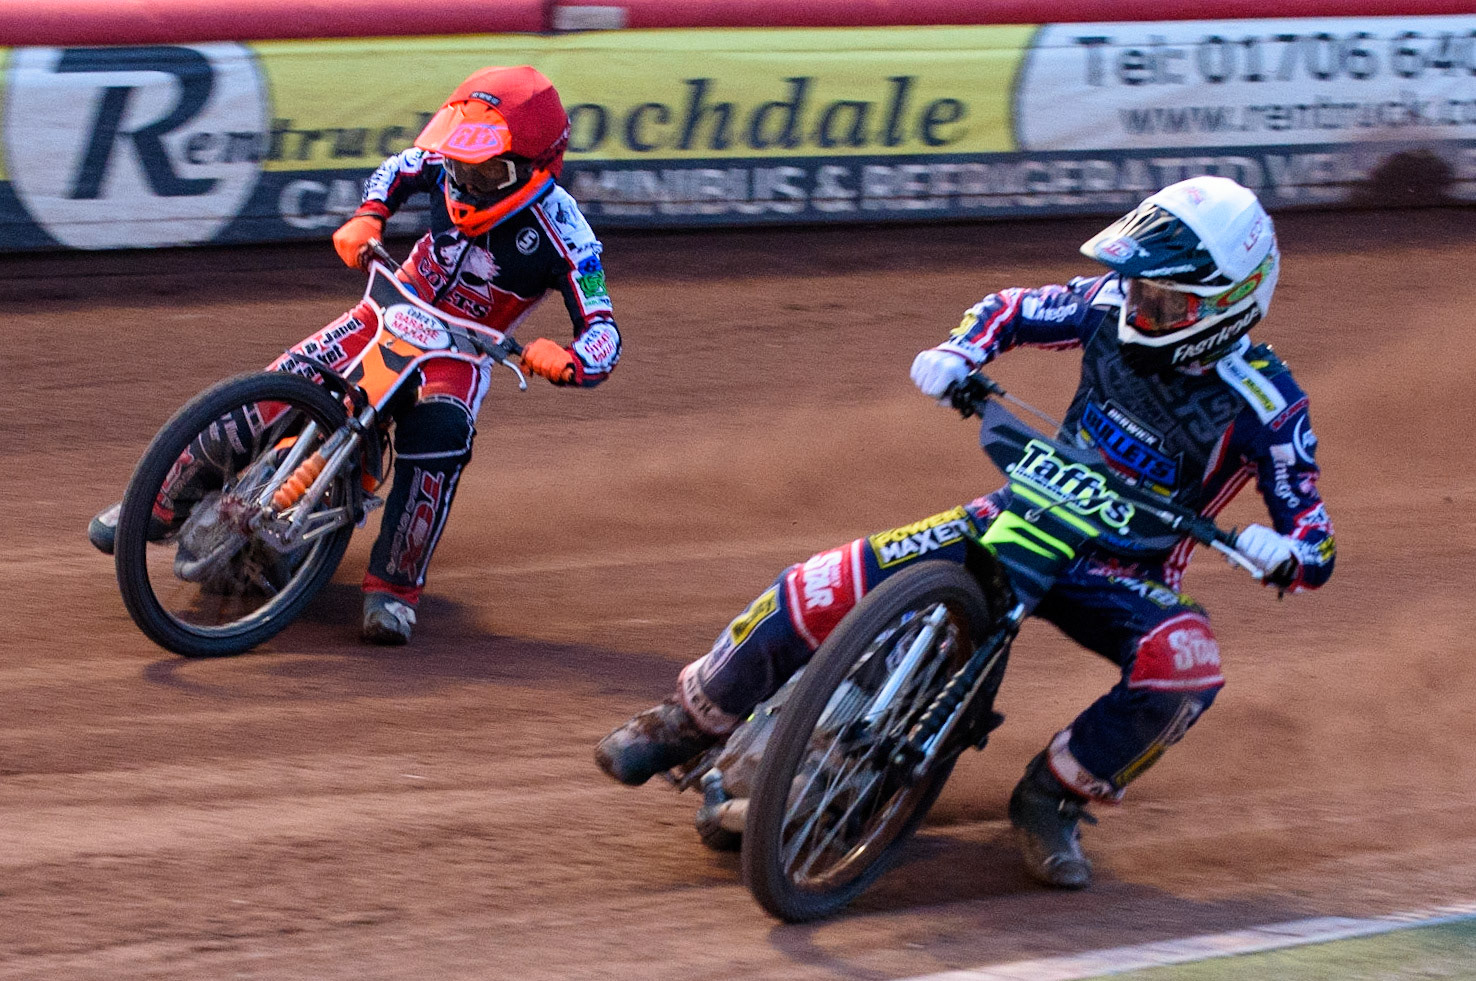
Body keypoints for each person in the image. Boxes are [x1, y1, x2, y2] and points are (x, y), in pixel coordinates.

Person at [594, 176, 1335, 889]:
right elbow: (1012, 307)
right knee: (824, 579)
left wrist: (1286, 553)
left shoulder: (1267, 404)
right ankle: (685, 720)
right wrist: (961, 351)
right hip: (1021, 511)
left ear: (1230, 304)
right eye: (1140, 287)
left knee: (1187, 666)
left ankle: (1052, 799)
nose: (1140, 304)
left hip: (1121, 574)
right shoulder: (1109, 304)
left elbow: (1315, 536)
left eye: (1164, 297)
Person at [88, 66, 621, 645]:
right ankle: (154, 505)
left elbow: (603, 330)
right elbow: (396, 168)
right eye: (460, 162)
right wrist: (370, 213)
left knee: (439, 442)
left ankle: (394, 590)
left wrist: (571, 360)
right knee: (273, 387)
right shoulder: (445, 165)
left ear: (537, 167)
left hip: (462, 353)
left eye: (487, 169)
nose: (465, 179)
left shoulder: (568, 235)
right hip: (386, 308)